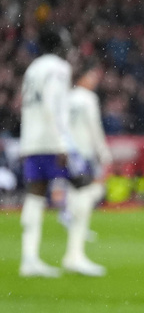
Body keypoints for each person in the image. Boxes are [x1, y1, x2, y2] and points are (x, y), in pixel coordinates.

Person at [18, 27, 105, 277]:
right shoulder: (58, 68)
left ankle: (29, 258)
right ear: (59, 44)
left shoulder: (32, 68)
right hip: (53, 140)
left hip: (31, 139)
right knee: (85, 187)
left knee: (35, 194)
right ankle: (74, 256)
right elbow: (51, 105)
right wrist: (61, 143)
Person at [64, 61, 113, 266]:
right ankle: (75, 247)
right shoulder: (89, 99)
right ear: (83, 77)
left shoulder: (67, 97)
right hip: (83, 152)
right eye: (91, 75)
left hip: (67, 151)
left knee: (75, 191)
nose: (94, 80)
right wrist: (103, 152)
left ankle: (70, 217)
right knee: (91, 190)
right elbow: (94, 127)